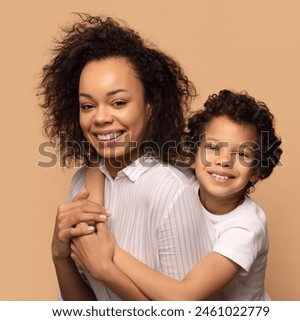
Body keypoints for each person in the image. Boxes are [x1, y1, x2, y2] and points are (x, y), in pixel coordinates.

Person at [38, 13, 213, 300]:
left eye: (118, 102)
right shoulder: (84, 182)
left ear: (150, 106)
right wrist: (60, 256)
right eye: (87, 105)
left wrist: (105, 269)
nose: (101, 118)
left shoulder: (171, 192)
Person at [74, 89, 283, 300]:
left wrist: (110, 252)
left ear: (255, 172)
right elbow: (97, 160)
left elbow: (184, 297)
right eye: (212, 147)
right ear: (193, 155)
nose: (224, 161)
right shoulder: (184, 177)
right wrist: (95, 213)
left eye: (242, 154)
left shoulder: (247, 227)